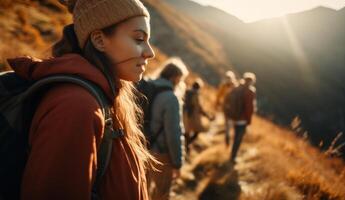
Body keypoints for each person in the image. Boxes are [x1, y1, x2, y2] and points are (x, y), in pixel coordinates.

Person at [7, 0, 156, 199]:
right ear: (99, 40)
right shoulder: (77, 107)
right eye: (139, 39)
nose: (150, 52)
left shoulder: (105, 96)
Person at [147, 58, 188, 200]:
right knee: (162, 193)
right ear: (175, 77)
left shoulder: (148, 87)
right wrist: (177, 162)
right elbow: (173, 133)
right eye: (180, 79)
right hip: (161, 153)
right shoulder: (171, 98)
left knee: (141, 190)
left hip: (141, 148)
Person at [225, 72, 257, 162]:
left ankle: (232, 154)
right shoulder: (250, 91)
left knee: (235, 136)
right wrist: (249, 120)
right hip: (242, 119)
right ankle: (233, 157)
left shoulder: (237, 88)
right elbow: (249, 108)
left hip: (234, 117)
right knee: (238, 138)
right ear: (251, 81)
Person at [183, 78, 212, 152]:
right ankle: (186, 146)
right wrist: (207, 115)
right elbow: (199, 107)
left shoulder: (186, 91)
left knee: (186, 132)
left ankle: (186, 146)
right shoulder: (196, 94)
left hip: (184, 114)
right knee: (197, 131)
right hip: (193, 116)